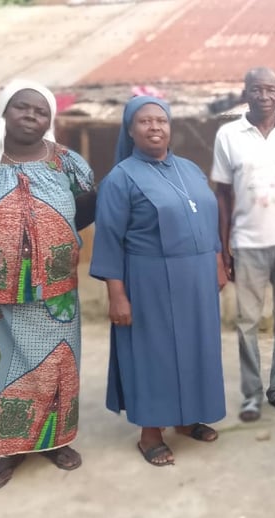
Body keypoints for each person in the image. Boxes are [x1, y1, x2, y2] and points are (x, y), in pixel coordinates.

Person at [0, 80, 95, 488]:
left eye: (40, 111)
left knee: (56, 367)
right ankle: (11, 450)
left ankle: (55, 441)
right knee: (1, 372)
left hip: (54, 296)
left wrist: (47, 244)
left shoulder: (69, 164)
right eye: (22, 107)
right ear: (4, 111)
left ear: (49, 120)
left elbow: (85, 211)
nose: (31, 116)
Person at [90, 96, 226, 466]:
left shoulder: (191, 169)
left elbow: (208, 218)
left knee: (196, 347)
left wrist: (217, 259)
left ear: (170, 127)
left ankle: (187, 418)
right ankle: (150, 432)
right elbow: (109, 241)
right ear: (131, 130)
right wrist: (117, 295)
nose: (155, 127)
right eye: (145, 121)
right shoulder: (121, 178)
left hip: (197, 279)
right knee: (154, 355)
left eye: (161, 121)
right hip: (148, 280)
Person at [211, 67, 275, 422]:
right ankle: (252, 394)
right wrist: (223, 248)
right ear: (246, 93)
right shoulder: (228, 135)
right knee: (247, 322)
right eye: (257, 89)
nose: (264, 95)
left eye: (271, 89)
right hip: (247, 243)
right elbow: (222, 196)